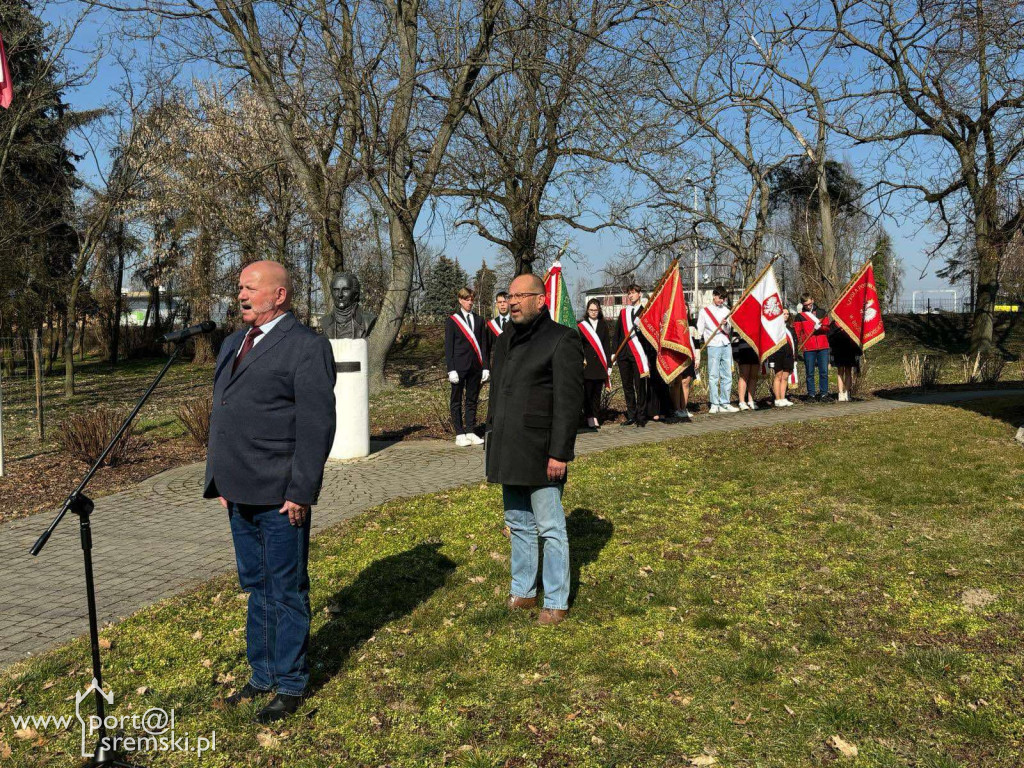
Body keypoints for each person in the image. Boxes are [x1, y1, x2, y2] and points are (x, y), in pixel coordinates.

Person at [204, 260, 336, 724]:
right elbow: (222, 412)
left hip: (281, 494)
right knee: (256, 586)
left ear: (279, 295)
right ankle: (262, 674)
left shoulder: (306, 347)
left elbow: (317, 427)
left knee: (285, 588)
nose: (240, 294)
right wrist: (217, 477)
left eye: (250, 287)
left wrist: (301, 491)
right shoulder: (232, 342)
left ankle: (291, 682)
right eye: (239, 286)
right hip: (238, 489)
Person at [486, 273, 584, 626]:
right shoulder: (504, 339)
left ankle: (556, 600)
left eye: (519, 296)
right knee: (518, 523)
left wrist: (560, 453)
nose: (511, 302)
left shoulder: (562, 340)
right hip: (508, 448)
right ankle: (524, 591)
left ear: (540, 300)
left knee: (550, 527)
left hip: (542, 452)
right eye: (509, 296)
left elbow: (569, 404)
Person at [445, 287, 490, 447]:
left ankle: (470, 431)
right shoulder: (452, 321)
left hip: (475, 367)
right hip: (458, 367)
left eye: (472, 299)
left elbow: (484, 345)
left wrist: (485, 366)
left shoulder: (479, 320)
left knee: (472, 400)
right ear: (460, 300)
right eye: (466, 299)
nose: (470, 302)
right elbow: (448, 347)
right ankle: (459, 433)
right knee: (456, 401)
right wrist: (450, 369)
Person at [696, 286, 738, 413]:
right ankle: (714, 403)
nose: (721, 300)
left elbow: (729, 330)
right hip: (713, 345)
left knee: (727, 375)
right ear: (714, 295)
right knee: (714, 375)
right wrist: (698, 345)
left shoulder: (726, 310)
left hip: (725, 343)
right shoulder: (704, 311)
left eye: (723, 298)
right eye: (720, 298)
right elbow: (700, 330)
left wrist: (725, 325)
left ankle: (725, 402)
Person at [613, 284, 649, 427]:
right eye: (629, 293)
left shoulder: (645, 311)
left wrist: (641, 328)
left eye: (633, 293)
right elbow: (617, 334)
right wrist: (613, 352)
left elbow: (649, 336)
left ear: (639, 294)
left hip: (638, 355)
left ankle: (641, 416)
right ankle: (631, 415)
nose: (631, 295)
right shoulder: (623, 313)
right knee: (627, 386)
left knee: (639, 386)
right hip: (623, 355)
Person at [578, 298, 612, 429]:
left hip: (600, 365)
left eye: (596, 310)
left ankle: (596, 417)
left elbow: (606, 346)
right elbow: (579, 345)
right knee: (588, 393)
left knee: (597, 394)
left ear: (599, 310)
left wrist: (608, 364)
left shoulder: (603, 325)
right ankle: (589, 417)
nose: (593, 312)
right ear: (587, 310)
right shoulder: (582, 326)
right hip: (587, 365)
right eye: (591, 310)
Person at [794, 293, 831, 400]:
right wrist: (801, 344)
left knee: (823, 371)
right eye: (806, 305)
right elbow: (797, 333)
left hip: (823, 346)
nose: (808, 306)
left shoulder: (822, 312)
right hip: (808, 348)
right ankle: (811, 394)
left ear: (813, 300)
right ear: (802, 304)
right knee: (810, 373)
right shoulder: (799, 316)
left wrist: (821, 328)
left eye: (810, 304)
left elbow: (827, 328)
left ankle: (824, 394)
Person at [765, 307, 797, 407]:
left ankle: (783, 398)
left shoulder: (790, 328)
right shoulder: (775, 328)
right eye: (784, 314)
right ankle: (777, 399)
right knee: (778, 376)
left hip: (788, 354)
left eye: (787, 314)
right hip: (778, 354)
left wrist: (795, 356)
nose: (786, 315)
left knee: (785, 377)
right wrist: (771, 358)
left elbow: (795, 342)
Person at [669, 319, 700, 420]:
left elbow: (696, 342)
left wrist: (697, 358)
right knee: (677, 382)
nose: (685, 310)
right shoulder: (673, 320)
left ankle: (683, 408)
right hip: (678, 356)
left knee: (686, 382)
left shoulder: (691, 325)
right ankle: (677, 409)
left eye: (686, 309)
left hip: (689, 355)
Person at [829, 325, 861, 401]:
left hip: (849, 349)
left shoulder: (850, 321)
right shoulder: (834, 323)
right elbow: (830, 336)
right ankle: (840, 393)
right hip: (838, 349)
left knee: (848, 371)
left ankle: (847, 392)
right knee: (840, 371)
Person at [733, 333, 760, 410]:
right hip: (743, 349)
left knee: (753, 376)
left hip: (756, 349)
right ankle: (741, 401)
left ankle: (751, 400)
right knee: (744, 376)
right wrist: (735, 352)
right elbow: (735, 336)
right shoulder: (740, 320)